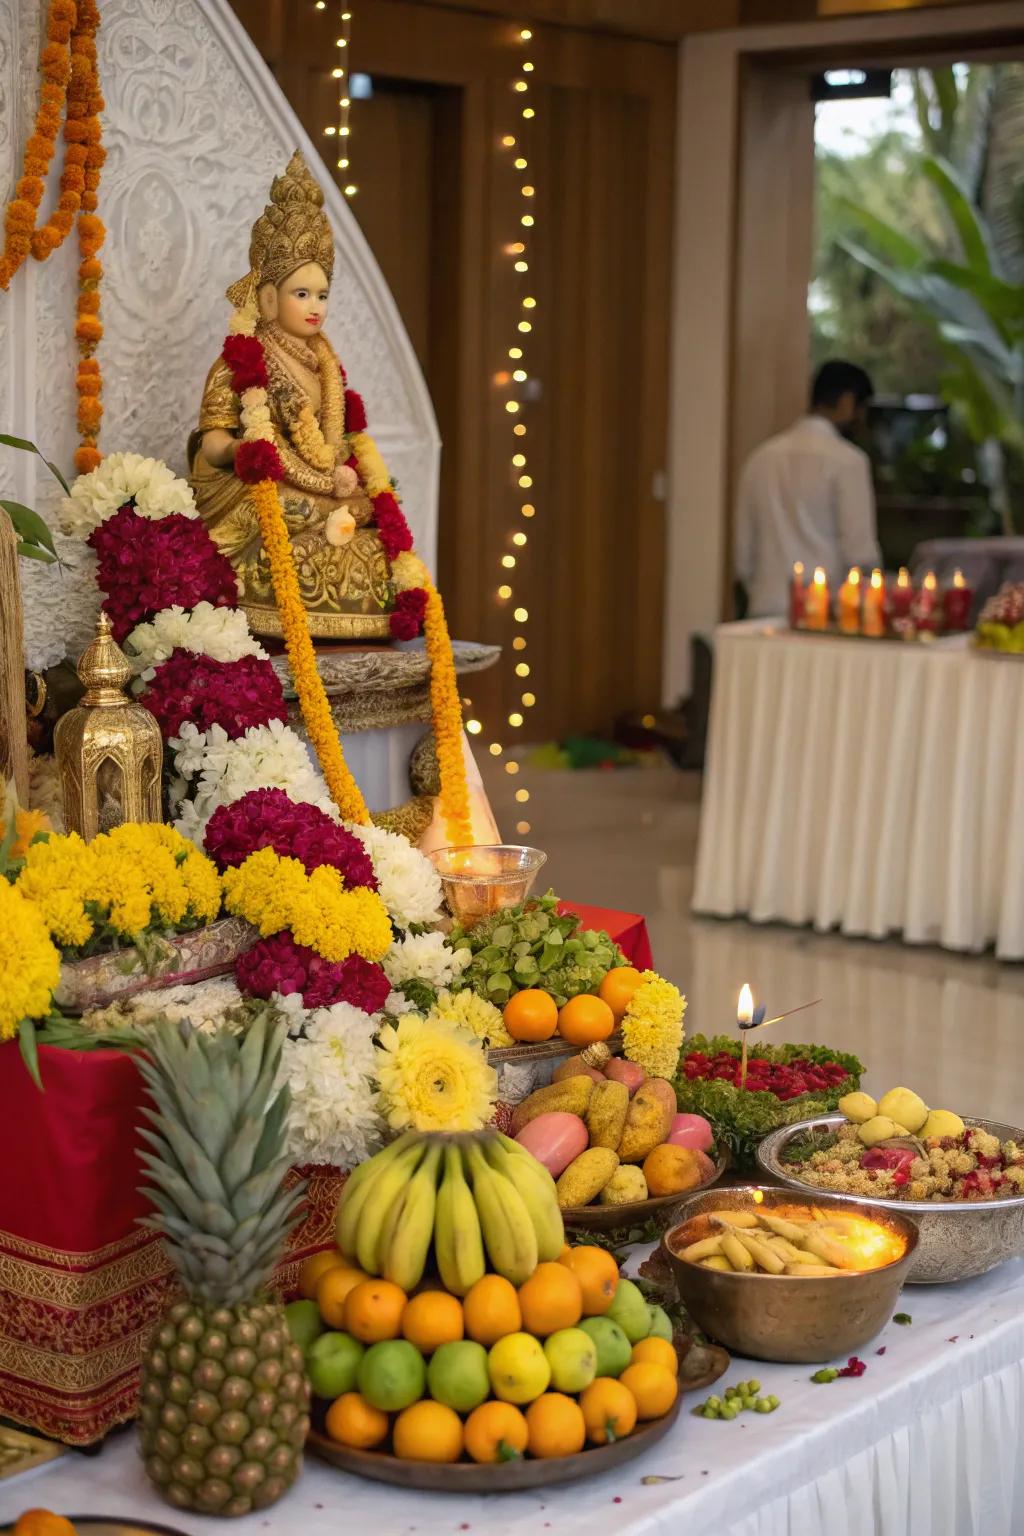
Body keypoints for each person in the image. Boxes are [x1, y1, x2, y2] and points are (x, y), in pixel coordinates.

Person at [734, 360, 881, 618]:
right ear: (847, 402)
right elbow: (859, 553)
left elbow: (742, 555)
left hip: (764, 607)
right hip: (823, 612)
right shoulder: (848, 461)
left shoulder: (761, 458)